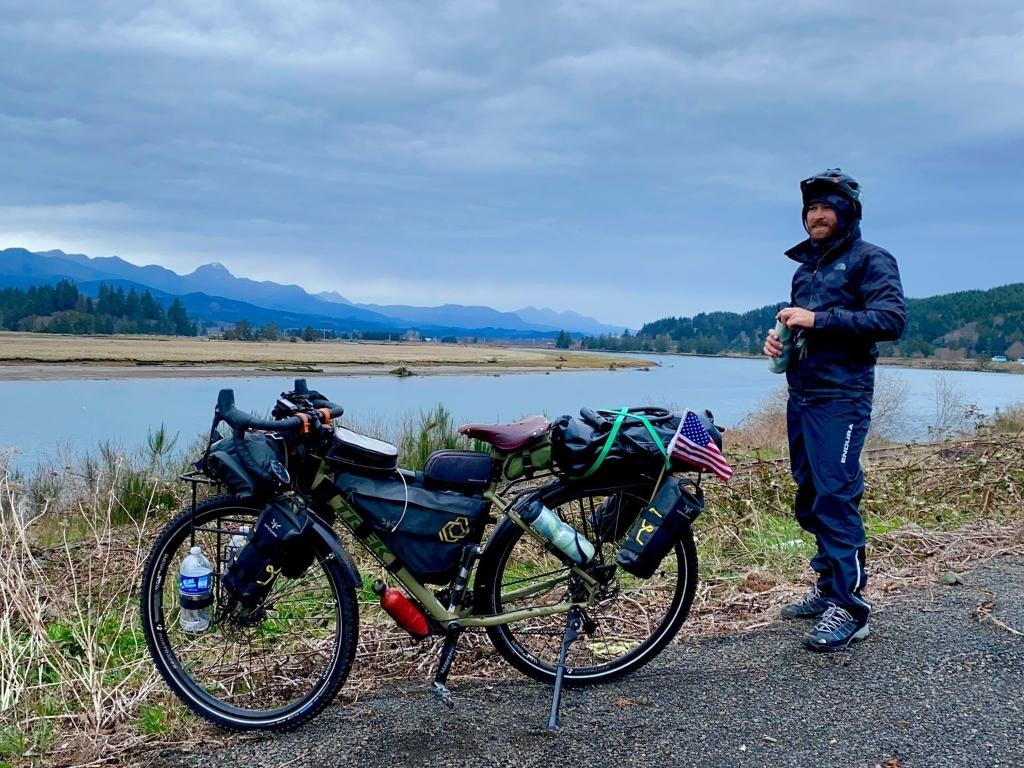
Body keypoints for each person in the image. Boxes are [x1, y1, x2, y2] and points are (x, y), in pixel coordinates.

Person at [763, 168, 906, 651]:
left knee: (836, 496)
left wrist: (818, 318)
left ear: (847, 212)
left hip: (842, 398)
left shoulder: (871, 260)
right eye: (810, 208)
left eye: (827, 207)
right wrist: (781, 337)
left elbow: (889, 319)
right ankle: (828, 588)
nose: (816, 215)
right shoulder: (806, 270)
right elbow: (804, 328)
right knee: (809, 494)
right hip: (801, 395)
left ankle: (850, 607)